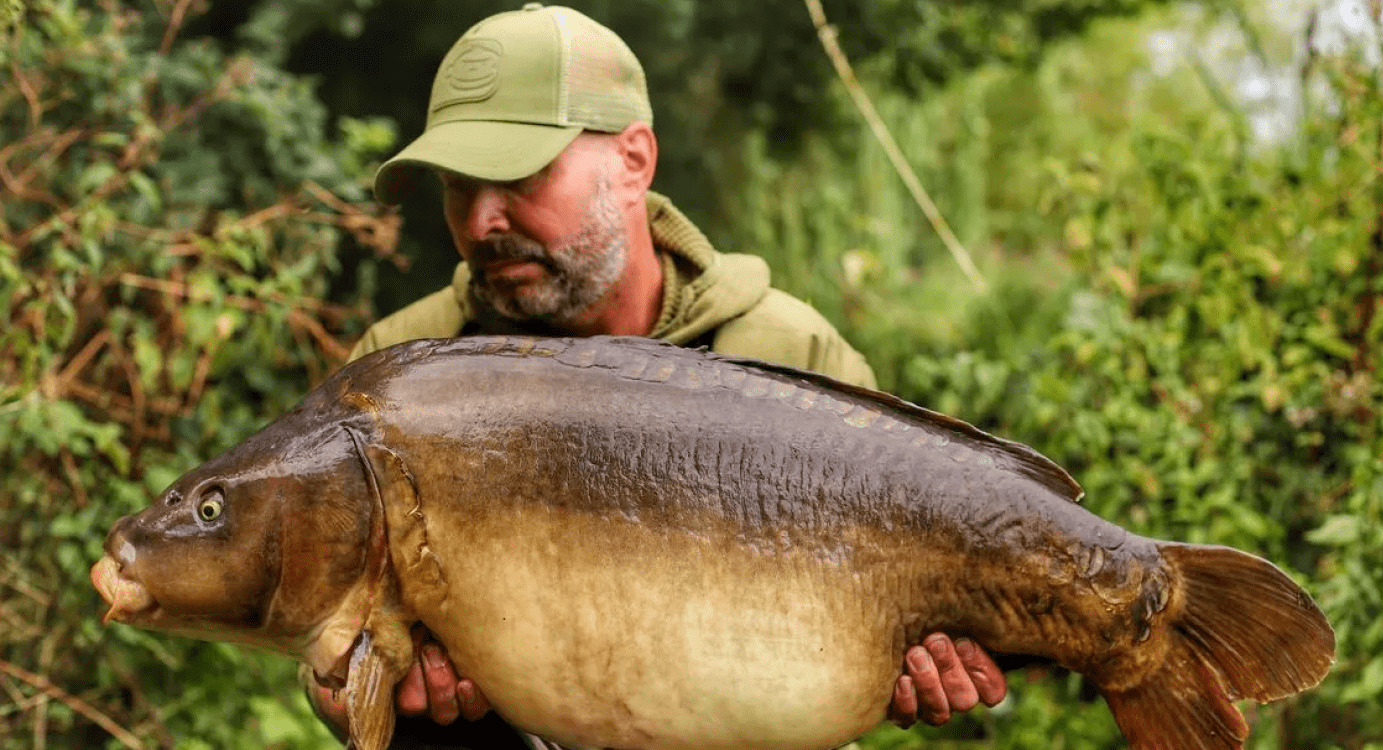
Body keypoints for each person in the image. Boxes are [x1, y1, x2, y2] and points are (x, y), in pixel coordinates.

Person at [308, 4, 1007, 747]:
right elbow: (326, 644)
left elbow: (916, 608)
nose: (482, 220)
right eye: (457, 185)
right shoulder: (401, 371)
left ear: (635, 160)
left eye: (520, 175)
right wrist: (357, 686)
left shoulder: (786, 351)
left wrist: (914, 661)